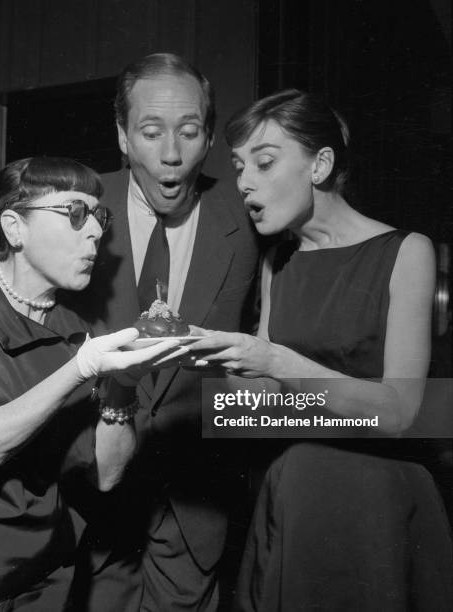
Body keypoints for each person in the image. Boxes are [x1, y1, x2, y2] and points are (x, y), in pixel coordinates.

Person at [0, 156, 184, 612]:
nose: (98, 231)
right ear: (14, 227)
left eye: (99, 216)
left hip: (46, 579)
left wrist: (123, 385)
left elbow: (104, 474)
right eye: (75, 214)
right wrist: (78, 370)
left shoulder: (73, 329)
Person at [190, 89, 453, 611]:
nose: (245, 182)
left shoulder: (407, 252)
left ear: (321, 164)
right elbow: (262, 408)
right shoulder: (276, 265)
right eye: (239, 166)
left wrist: (277, 364)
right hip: (293, 493)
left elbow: (401, 412)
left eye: (264, 163)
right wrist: (217, 366)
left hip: (374, 503)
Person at [72, 53, 259, 611]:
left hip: (195, 506)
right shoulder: (75, 207)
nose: (172, 155)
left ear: (209, 140)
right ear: (124, 138)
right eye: (151, 133)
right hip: (89, 501)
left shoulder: (250, 215)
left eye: (190, 131)